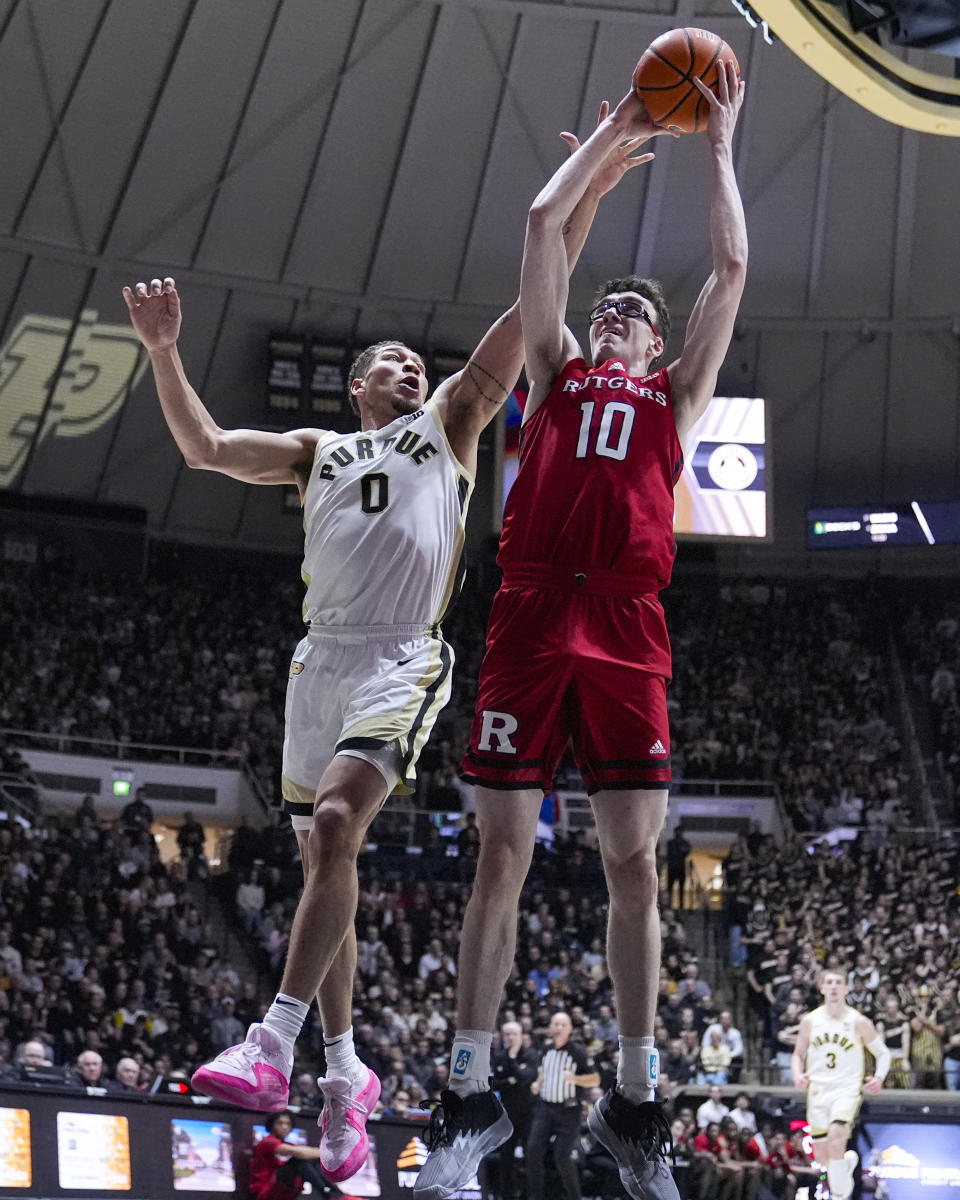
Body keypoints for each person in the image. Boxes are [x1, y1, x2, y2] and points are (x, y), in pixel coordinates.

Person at [129, 128, 629, 1186]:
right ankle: (346, 1071)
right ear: (358, 387)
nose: (412, 365)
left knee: (339, 824)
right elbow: (204, 451)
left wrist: (589, 182)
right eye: (391, 361)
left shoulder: (450, 421)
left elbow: (535, 296)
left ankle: (273, 1043)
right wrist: (164, 351)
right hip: (320, 663)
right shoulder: (318, 453)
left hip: (403, 655)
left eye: (416, 359)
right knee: (326, 864)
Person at [416, 63, 746, 1200]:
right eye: (610, 306)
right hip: (531, 605)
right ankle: (464, 1101)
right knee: (500, 854)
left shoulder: (677, 398)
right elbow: (543, 221)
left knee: (634, 867)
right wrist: (617, 130)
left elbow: (734, 266)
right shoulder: (551, 377)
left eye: (636, 315)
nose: (618, 316)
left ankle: (639, 1103)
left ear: (655, 349)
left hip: (626, 620)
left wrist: (719, 139)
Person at [791, 968, 890, 1200]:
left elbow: (883, 1054)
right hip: (817, 1092)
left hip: (846, 1089)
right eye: (829, 982)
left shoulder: (858, 1021)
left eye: (839, 982)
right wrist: (798, 1075)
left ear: (846, 988)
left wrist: (879, 1077)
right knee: (824, 1157)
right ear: (822, 988)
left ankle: (838, 1196)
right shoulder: (810, 1021)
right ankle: (846, 1163)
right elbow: (797, 1055)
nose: (834, 986)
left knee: (837, 1135)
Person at [525, 1012, 600, 1200]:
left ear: (570, 1029)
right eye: (555, 1024)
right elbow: (543, 1071)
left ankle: (575, 1197)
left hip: (569, 1111)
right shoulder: (546, 1048)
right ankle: (536, 1197)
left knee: (562, 1157)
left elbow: (594, 1079)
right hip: (545, 1108)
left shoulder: (577, 1051)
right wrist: (538, 1083)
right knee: (533, 1151)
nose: (558, 1028)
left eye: (562, 1024)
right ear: (550, 1027)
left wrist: (573, 1078)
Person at [490, 1020, 540, 1200]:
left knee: (530, 1156)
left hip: (529, 1114)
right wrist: (509, 1081)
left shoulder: (531, 1055)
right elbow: (494, 1083)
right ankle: (507, 1195)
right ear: (503, 1037)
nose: (510, 1037)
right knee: (506, 1158)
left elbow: (525, 1078)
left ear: (521, 1036)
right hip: (508, 1115)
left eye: (514, 1034)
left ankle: (530, 1195)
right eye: (507, 1034)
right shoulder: (498, 1056)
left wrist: (512, 1060)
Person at [248, 1111, 332, 1200]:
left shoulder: (286, 1143)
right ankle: (328, 1193)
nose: (284, 1127)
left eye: (288, 1124)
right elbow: (298, 1152)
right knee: (298, 1160)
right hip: (266, 1192)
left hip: (284, 1192)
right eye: (280, 1123)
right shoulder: (268, 1142)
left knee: (312, 1160)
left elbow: (307, 1152)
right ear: (271, 1124)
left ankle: (330, 1191)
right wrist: (329, 1153)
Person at [666, 824, 692, 910]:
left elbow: (686, 852)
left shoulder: (685, 843)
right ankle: (669, 906)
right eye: (677, 832)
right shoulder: (670, 843)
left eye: (680, 832)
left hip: (681, 868)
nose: (679, 834)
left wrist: (680, 848)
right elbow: (670, 854)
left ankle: (681, 906)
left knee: (681, 889)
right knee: (670, 889)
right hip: (672, 868)